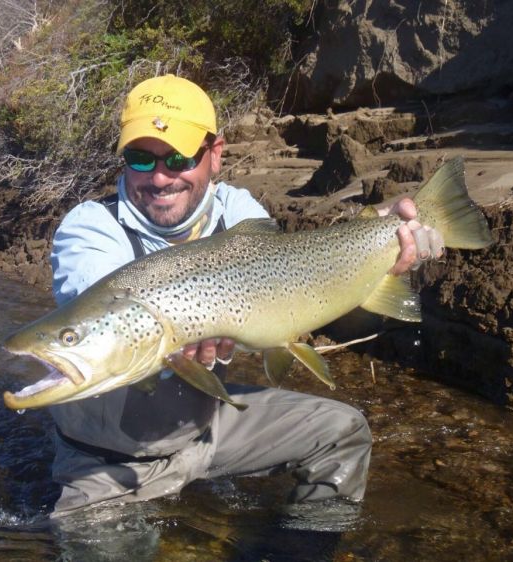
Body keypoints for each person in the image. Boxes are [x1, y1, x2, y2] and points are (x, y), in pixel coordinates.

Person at [47, 75, 443, 522]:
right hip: (108, 465)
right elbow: (102, 324)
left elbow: (300, 282)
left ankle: (305, 547)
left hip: (204, 429)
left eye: (178, 157)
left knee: (343, 433)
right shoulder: (90, 228)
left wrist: (377, 237)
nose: (159, 177)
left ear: (215, 155)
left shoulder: (238, 213)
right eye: (140, 158)